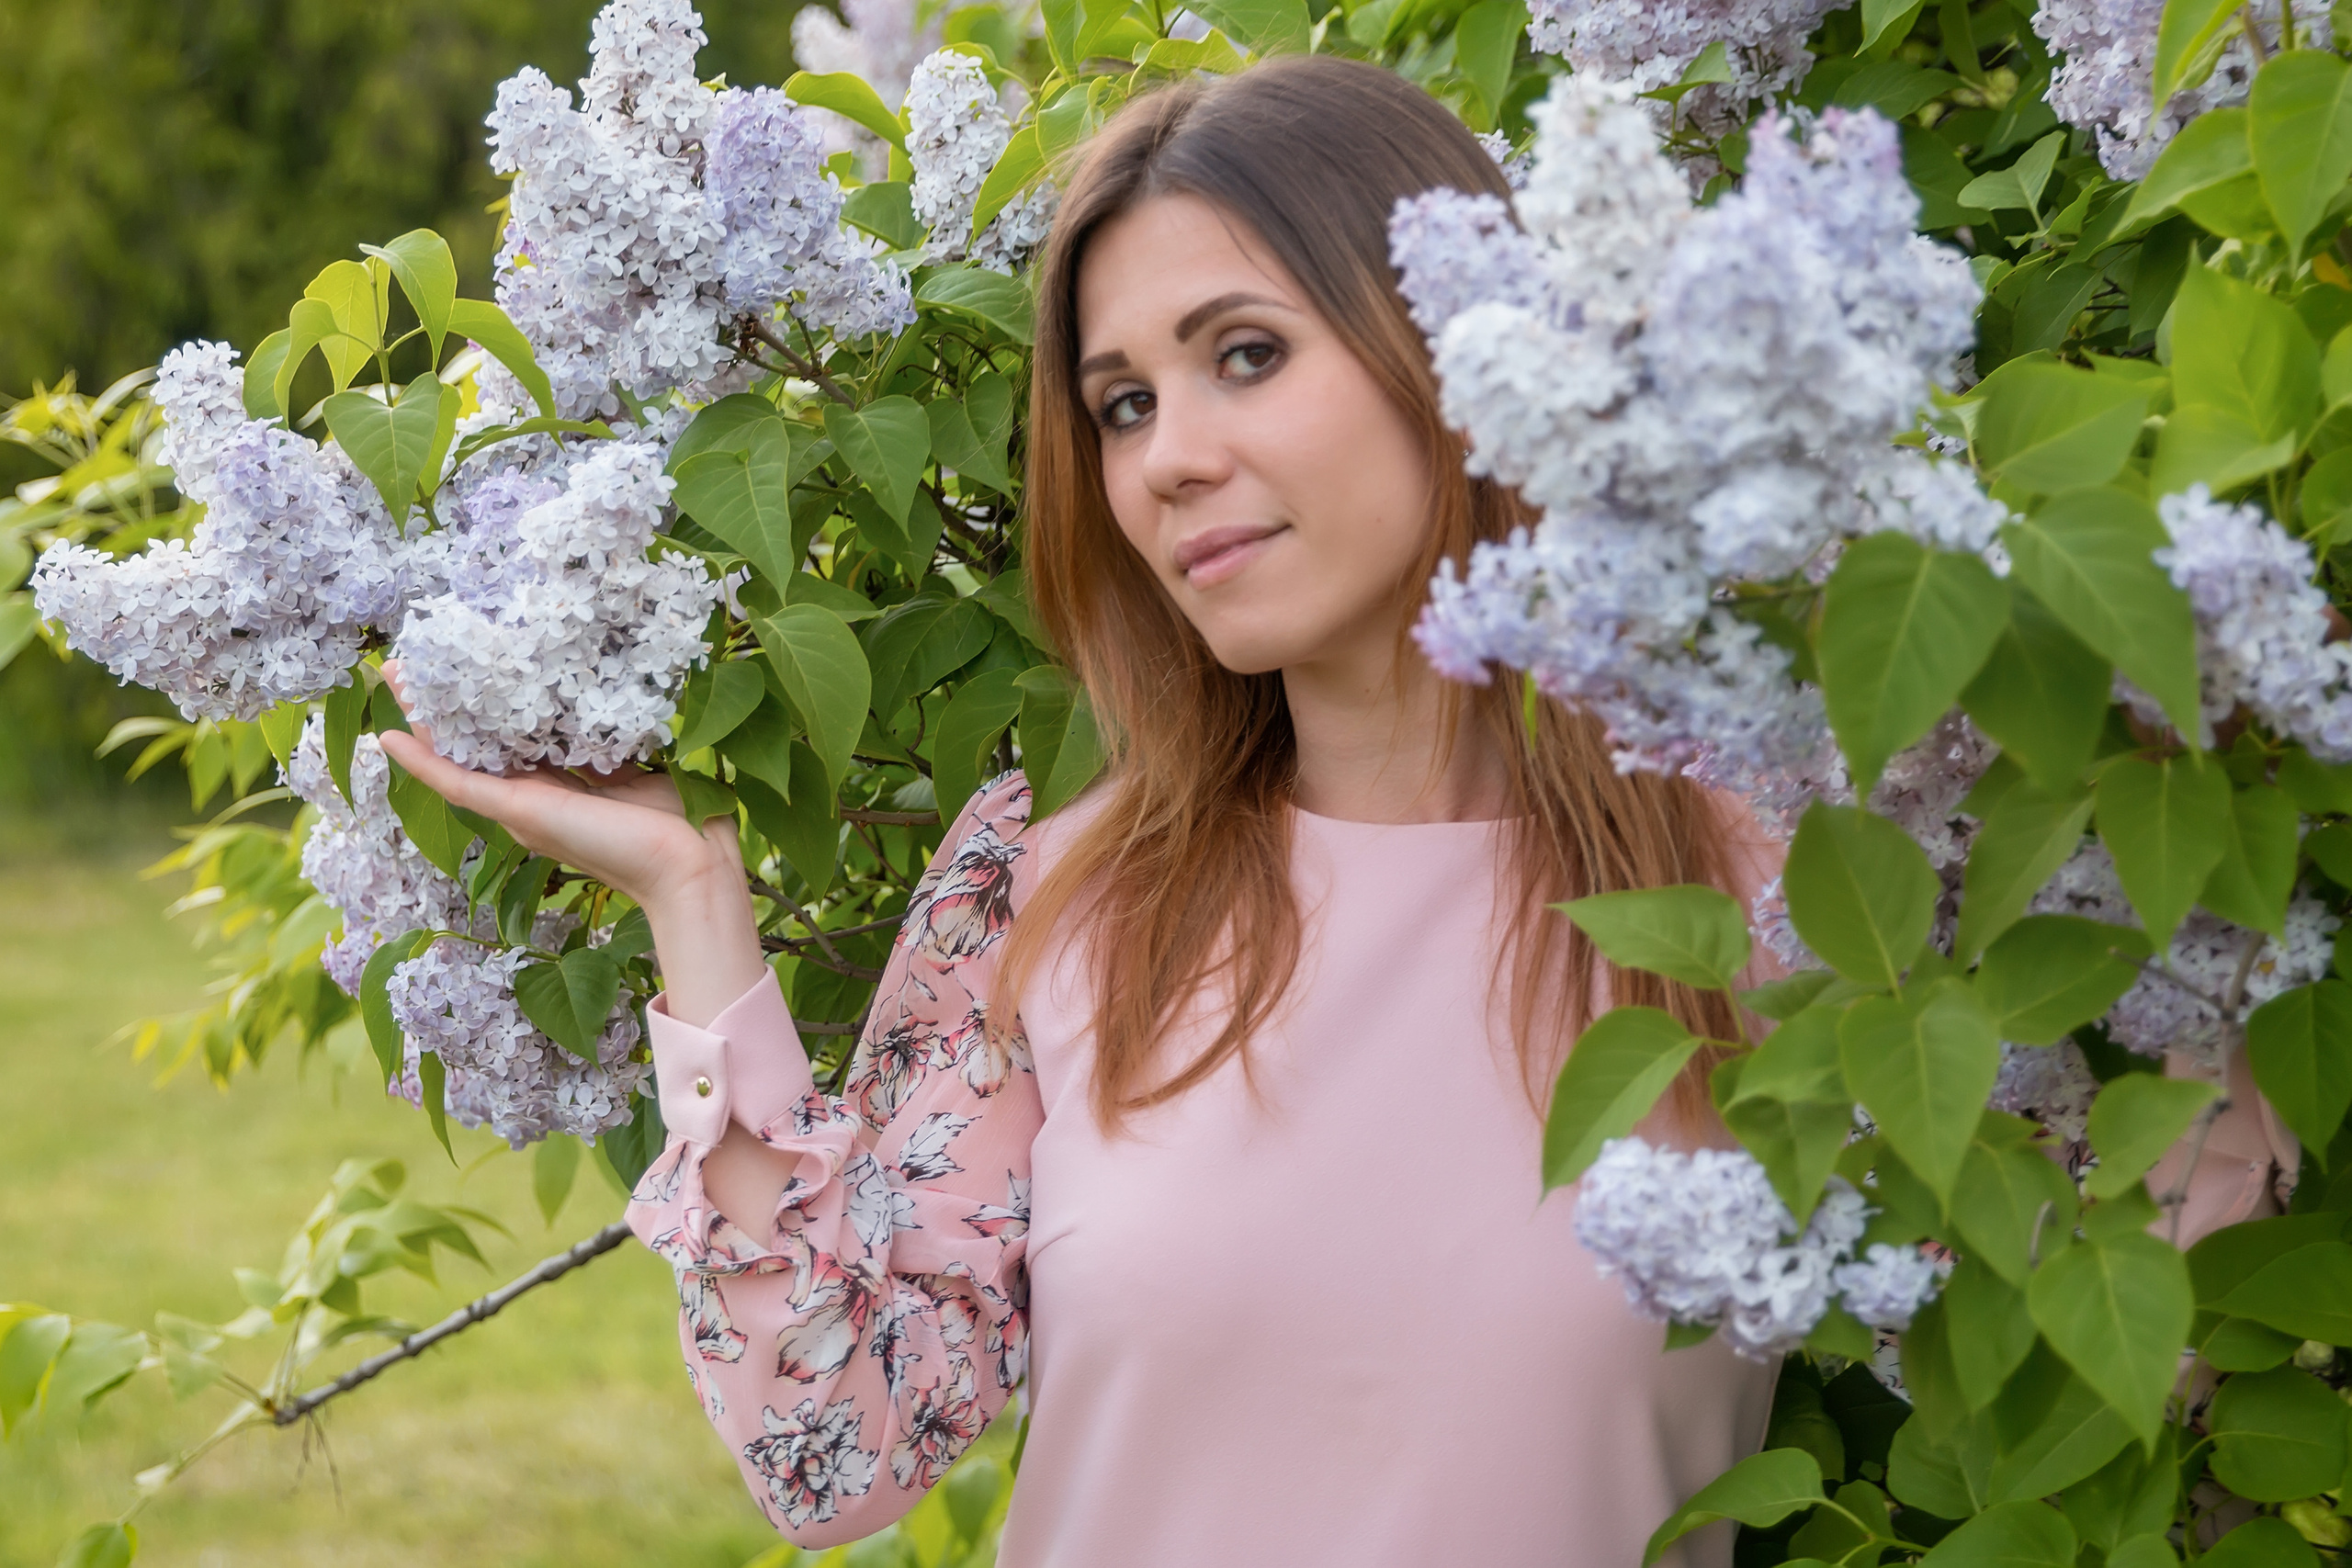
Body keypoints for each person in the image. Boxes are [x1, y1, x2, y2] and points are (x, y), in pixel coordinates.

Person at [379, 54, 2296, 1568]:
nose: (1168, 459)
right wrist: (695, 902)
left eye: (1244, 354)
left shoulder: (1797, 878)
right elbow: (840, 1443)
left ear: (1453, 350)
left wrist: (2210, 795)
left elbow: (2147, 1321)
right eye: (1122, 404)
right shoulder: (1047, 892)